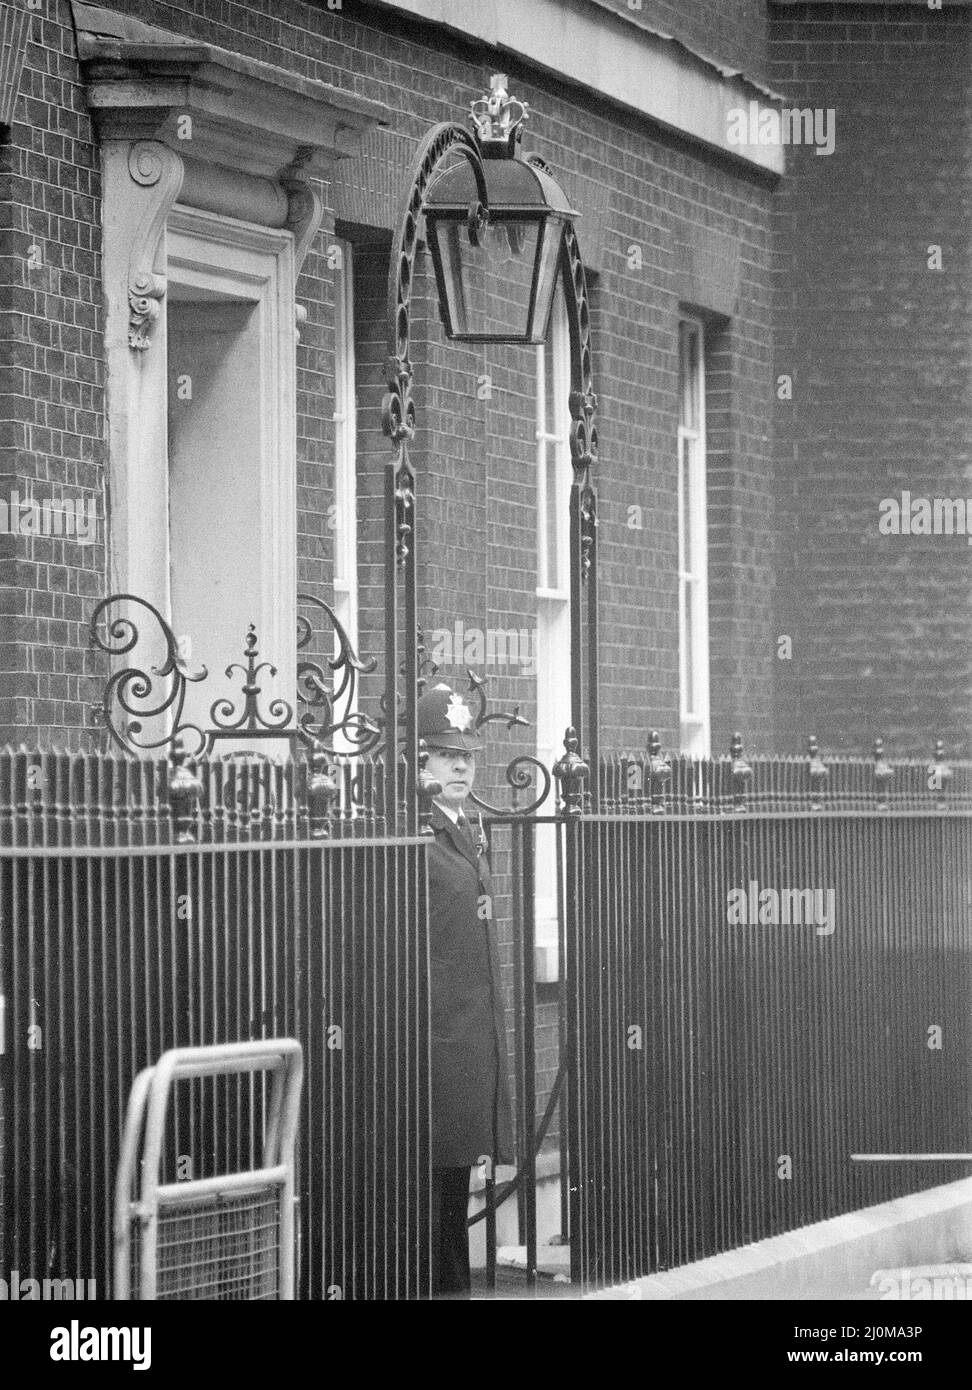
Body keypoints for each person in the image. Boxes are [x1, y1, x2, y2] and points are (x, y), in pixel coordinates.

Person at [417, 682, 514, 1297]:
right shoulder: (417, 837)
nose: (459, 765)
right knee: (435, 1185)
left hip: (466, 1039)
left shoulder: (467, 829)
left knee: (453, 1183)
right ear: (418, 763)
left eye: (467, 756)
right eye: (445, 754)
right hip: (433, 1039)